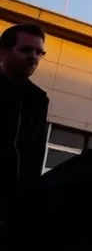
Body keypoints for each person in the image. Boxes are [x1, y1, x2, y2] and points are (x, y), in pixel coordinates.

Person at [0, 23, 50, 207]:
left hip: (15, 206)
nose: (34, 58)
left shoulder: (38, 100)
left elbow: (35, 152)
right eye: (26, 50)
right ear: (3, 52)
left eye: (39, 52)